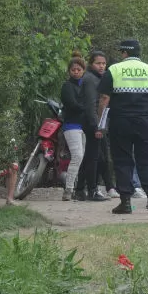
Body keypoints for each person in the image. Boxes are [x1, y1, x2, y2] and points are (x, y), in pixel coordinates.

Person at [96, 39, 148, 214]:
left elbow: (104, 98)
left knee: (122, 160)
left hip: (121, 121)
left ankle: (125, 202)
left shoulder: (114, 70)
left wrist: (100, 122)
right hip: (145, 122)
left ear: (124, 53)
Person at [75, 50, 110, 202]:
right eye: (98, 63)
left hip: (96, 122)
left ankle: (80, 189)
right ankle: (92, 190)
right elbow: (90, 105)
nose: (101, 66)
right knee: (94, 157)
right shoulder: (90, 79)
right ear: (91, 64)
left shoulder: (98, 78)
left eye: (103, 63)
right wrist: (97, 126)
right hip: (92, 123)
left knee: (92, 156)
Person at [60, 52, 87, 201]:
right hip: (72, 125)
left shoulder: (86, 85)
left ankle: (78, 188)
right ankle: (68, 189)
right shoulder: (67, 86)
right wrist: (88, 107)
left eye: (79, 69)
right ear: (69, 71)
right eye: (73, 70)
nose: (76, 72)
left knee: (82, 157)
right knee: (77, 155)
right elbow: (72, 104)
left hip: (85, 126)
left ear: (83, 70)